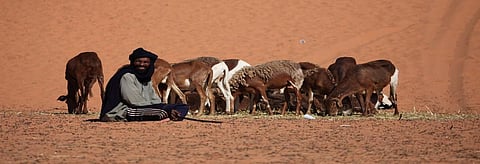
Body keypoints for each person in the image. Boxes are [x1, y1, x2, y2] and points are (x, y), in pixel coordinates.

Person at [100, 48, 188, 122]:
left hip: (143, 107)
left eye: (145, 62)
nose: (142, 64)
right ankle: (168, 116)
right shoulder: (127, 76)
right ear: (133, 62)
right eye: (138, 61)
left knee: (182, 107)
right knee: (162, 112)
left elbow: (154, 98)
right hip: (122, 111)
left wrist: (163, 106)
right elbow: (134, 101)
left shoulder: (145, 77)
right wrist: (162, 108)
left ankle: (171, 116)